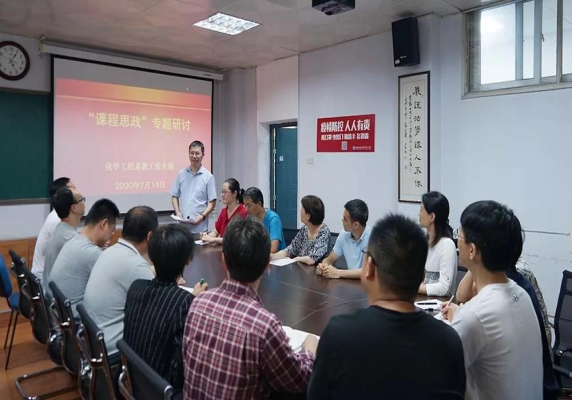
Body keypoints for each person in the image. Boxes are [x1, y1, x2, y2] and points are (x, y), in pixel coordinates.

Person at [308, 213, 465, 399]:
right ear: (422, 276)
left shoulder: (338, 335)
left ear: (369, 268)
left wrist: (311, 353)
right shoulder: (450, 342)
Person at [182, 217, 317, 399]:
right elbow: (298, 380)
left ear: (224, 260)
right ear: (267, 264)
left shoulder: (197, 303)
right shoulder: (263, 326)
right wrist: (309, 350)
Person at [442, 200, 543, 400]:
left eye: (459, 234)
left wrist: (461, 318)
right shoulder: (521, 295)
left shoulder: (474, 316)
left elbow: (439, 375)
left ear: (472, 250)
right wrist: (459, 315)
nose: (456, 240)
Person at [124, 224, 208, 393]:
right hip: (161, 390)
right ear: (188, 259)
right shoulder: (184, 302)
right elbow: (181, 369)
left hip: (130, 382)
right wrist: (194, 299)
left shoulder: (136, 287)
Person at [456, 260, 559, 398]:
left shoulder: (480, 310)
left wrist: (459, 314)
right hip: (533, 386)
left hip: (531, 383)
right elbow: (463, 296)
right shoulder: (519, 292)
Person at [83, 206, 158, 355]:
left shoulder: (109, 251)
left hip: (93, 340)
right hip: (112, 349)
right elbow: (159, 305)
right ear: (150, 236)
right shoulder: (136, 265)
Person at [49, 199, 119, 315]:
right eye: (112, 230)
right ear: (104, 224)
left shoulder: (73, 241)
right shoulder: (92, 253)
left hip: (58, 317)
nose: (110, 236)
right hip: (76, 321)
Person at [32, 177, 76, 284]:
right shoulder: (57, 220)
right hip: (43, 282)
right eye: (73, 189)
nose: (77, 192)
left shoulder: (58, 216)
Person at [170, 140, 217, 236]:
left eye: (197, 153)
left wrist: (202, 216)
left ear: (203, 155)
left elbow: (212, 202)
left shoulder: (208, 177)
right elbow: (174, 196)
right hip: (183, 228)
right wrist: (177, 212)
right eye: (192, 153)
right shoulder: (181, 174)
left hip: (200, 228)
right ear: (188, 154)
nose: (194, 156)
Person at [43, 187, 86, 289]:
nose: (84, 202)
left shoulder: (59, 230)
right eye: (81, 199)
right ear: (73, 208)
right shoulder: (71, 239)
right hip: (56, 296)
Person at [316, 199, 372, 279]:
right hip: (350, 282)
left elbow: (367, 271)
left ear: (356, 225)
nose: (342, 220)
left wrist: (338, 272)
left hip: (367, 284)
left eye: (345, 219)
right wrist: (323, 266)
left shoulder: (373, 237)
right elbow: (330, 259)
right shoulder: (344, 234)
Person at [417, 191, 457, 297]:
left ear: (432, 217)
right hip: (422, 300)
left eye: (421, 210)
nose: (418, 214)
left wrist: (412, 288)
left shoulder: (447, 245)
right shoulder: (423, 242)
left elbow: (444, 288)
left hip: (441, 303)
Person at [271, 195, 330, 266]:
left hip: (316, 271)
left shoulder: (324, 232)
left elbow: (311, 259)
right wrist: (272, 257)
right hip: (301, 269)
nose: (300, 211)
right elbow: (290, 250)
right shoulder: (304, 229)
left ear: (308, 216)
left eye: (302, 209)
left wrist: (295, 259)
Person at [200, 178, 247, 245]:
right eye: (222, 192)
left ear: (234, 193)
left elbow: (234, 239)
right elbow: (215, 232)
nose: (223, 195)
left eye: (225, 192)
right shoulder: (224, 211)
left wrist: (213, 239)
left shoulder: (243, 212)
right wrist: (206, 237)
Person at [243, 187, 285, 253]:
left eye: (249, 206)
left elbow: (273, 249)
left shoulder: (273, 219)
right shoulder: (249, 219)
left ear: (259, 204)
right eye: (245, 206)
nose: (246, 209)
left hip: (275, 258)